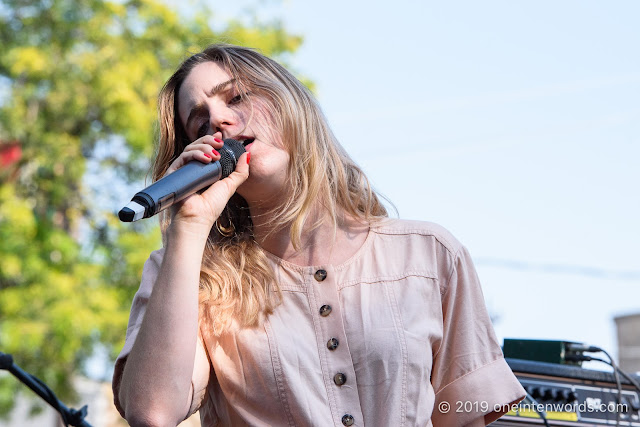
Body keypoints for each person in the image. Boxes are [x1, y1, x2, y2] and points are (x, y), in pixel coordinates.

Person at [113, 43, 525, 427]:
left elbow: (464, 415)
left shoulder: (429, 255)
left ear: (289, 102)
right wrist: (187, 227)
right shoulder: (188, 274)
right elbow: (153, 412)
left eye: (236, 97)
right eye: (200, 122)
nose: (218, 119)